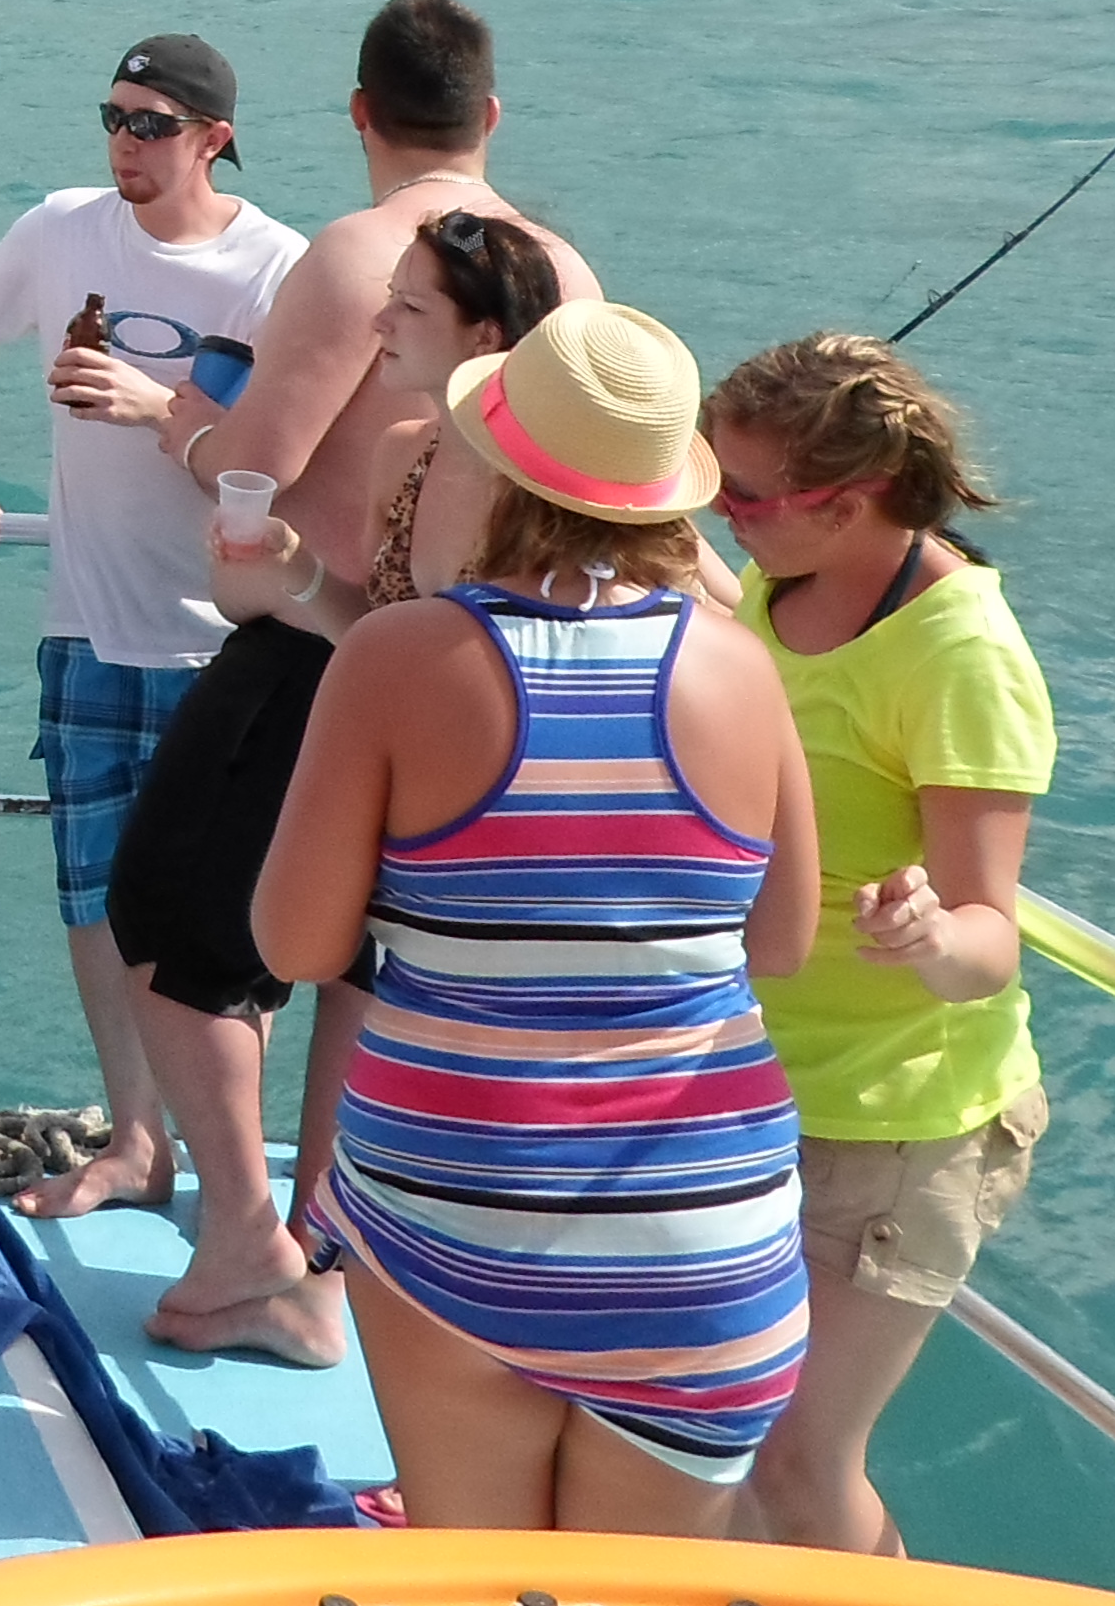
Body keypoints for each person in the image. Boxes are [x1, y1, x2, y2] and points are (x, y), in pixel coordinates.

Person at [257, 299, 818, 1533]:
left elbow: (293, 946)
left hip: (456, 1207)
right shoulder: (738, 664)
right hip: (702, 1236)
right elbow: (778, 942)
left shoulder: (399, 657)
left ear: (492, 462)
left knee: (483, 1591)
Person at [97, 0, 598, 1358]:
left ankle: (248, 1242)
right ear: (491, 118)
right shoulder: (571, 271)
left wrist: (183, 424)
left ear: (360, 113)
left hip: (322, 653)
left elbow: (251, 473)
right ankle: (329, 1253)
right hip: (494, 679)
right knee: (366, 958)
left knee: (170, 920)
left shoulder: (360, 255)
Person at [0, 35, 303, 1232]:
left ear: (212, 137)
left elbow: (285, 457)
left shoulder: (277, 271)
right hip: (86, 627)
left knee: (231, 920)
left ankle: (228, 1157)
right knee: (94, 899)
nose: (125, 142)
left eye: (152, 122)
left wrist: (154, 410)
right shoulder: (60, 229)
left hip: (230, 644)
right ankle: (135, 1141)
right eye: (114, 117)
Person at [706, 333, 1057, 1561]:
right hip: (760, 1082)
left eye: (743, 494)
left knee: (801, 1465)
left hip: (900, 1119)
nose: (720, 509)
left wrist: (924, 934)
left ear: (848, 503)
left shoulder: (959, 655)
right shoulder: (782, 580)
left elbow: (990, 939)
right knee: (710, 1436)